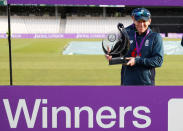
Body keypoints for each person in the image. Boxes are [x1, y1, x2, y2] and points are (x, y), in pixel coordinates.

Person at [106, 8, 164, 86]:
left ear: (149, 21)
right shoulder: (126, 34)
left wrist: (136, 61)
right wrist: (112, 56)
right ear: (134, 21)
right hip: (126, 83)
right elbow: (120, 55)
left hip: (146, 84)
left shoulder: (155, 37)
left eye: (144, 21)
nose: (141, 24)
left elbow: (158, 61)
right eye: (139, 21)